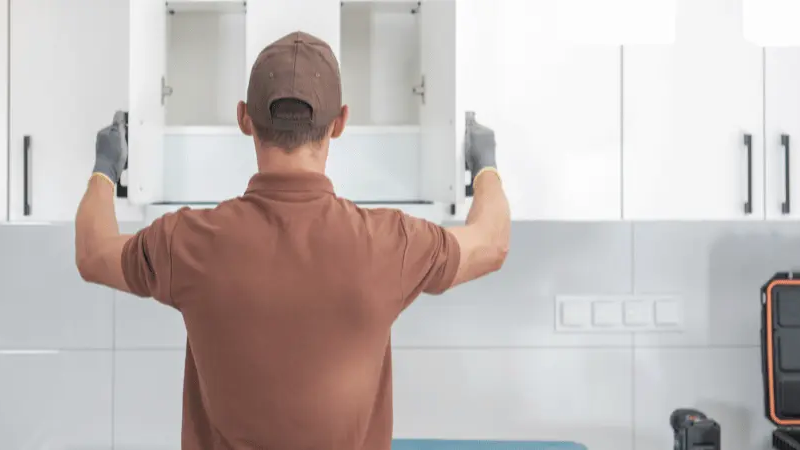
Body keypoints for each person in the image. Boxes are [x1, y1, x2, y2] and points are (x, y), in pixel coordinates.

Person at [75, 31, 510, 450]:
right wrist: (484, 164)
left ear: (244, 118)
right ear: (340, 122)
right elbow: (491, 244)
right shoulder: (390, 243)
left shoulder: (187, 242)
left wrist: (106, 168)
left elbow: (93, 254)